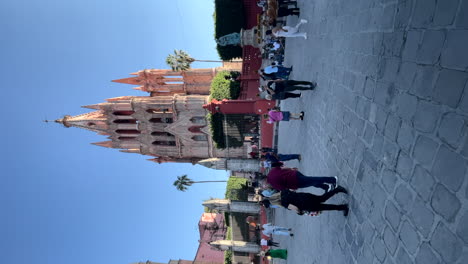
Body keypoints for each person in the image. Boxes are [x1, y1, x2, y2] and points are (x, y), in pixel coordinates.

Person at [268, 188, 350, 216]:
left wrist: (299, 212)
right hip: (306, 196)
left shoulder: (283, 203)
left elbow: (295, 208)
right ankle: (337, 190)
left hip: (306, 205)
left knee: (325, 207)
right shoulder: (283, 192)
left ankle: (343, 207)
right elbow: (293, 190)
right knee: (322, 198)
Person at [267, 166, 337, 192]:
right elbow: (282, 167)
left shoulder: (274, 184)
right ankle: (326, 187)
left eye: (263, 185)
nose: (264, 186)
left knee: (313, 180)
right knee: (312, 182)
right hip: (295, 173)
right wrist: (291, 168)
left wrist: (292, 189)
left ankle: (332, 179)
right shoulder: (272, 171)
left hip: (296, 182)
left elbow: (285, 188)